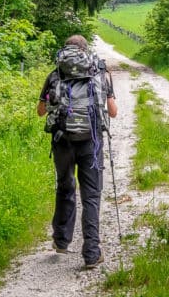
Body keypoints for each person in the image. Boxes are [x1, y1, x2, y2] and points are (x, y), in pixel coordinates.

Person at [37, 35, 117, 269]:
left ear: (66, 51)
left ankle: (61, 241)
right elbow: (112, 112)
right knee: (91, 195)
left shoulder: (55, 74)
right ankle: (91, 253)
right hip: (91, 142)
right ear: (85, 51)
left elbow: (40, 111)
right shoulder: (99, 73)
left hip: (62, 140)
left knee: (65, 186)